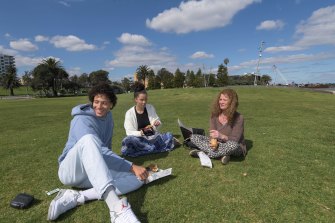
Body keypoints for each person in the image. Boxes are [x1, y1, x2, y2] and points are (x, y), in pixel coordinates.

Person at [47, 83, 148, 223]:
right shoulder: (80, 119)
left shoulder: (108, 117)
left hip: (91, 171)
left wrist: (130, 169)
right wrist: (130, 166)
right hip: (71, 171)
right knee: (89, 139)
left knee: (139, 178)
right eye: (96, 102)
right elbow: (99, 149)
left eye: (104, 103)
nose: (99, 106)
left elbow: (106, 149)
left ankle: (78, 196)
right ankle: (117, 209)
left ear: (111, 104)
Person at [188, 89, 246, 165]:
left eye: (225, 100)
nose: (221, 102)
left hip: (234, 146)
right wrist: (214, 143)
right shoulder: (214, 115)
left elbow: (235, 140)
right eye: (220, 99)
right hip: (218, 144)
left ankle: (203, 153)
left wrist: (221, 136)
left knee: (232, 145)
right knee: (193, 137)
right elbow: (212, 134)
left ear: (232, 103)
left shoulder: (239, 118)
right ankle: (223, 155)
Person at [121, 82, 176, 157]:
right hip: (139, 139)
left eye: (146, 99)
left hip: (151, 138)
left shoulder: (150, 107)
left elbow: (157, 122)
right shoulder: (129, 113)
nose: (144, 102)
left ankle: (148, 149)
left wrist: (157, 123)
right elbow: (129, 132)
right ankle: (154, 148)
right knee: (128, 140)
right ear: (136, 99)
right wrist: (141, 133)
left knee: (169, 135)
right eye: (141, 100)